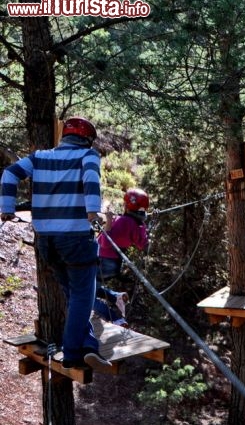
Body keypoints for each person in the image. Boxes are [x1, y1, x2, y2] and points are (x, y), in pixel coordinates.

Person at [1, 117, 112, 369]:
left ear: (64, 137)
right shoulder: (88, 155)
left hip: (46, 242)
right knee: (83, 295)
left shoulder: (40, 157)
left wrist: (7, 208)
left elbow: (9, 174)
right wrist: (93, 212)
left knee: (73, 294)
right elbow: (91, 182)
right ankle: (73, 353)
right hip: (76, 238)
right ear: (87, 139)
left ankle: (88, 345)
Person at [93, 188, 149, 327]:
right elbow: (142, 244)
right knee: (92, 287)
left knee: (83, 294)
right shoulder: (138, 224)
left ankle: (115, 317)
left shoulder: (123, 221)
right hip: (114, 264)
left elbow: (105, 242)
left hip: (102, 261)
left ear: (128, 205)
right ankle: (115, 297)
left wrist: (109, 221)